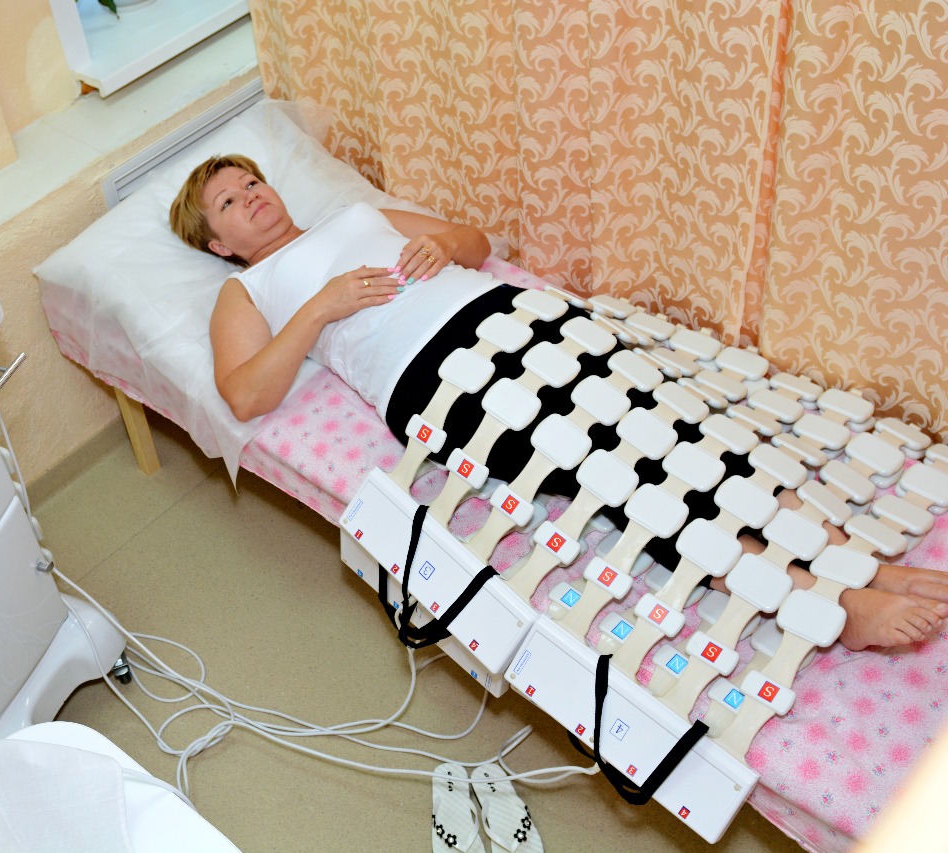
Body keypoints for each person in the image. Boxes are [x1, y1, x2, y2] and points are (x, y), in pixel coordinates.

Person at [169, 154, 948, 652]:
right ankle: (830, 606)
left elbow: (473, 241)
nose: (251, 198)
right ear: (219, 244)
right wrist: (321, 308)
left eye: (251, 183)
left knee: (685, 432)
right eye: (230, 203)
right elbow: (244, 393)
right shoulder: (250, 289)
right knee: (632, 479)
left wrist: (445, 245)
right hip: (440, 376)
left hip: (517, 318)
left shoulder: (355, 215)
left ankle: (852, 559)